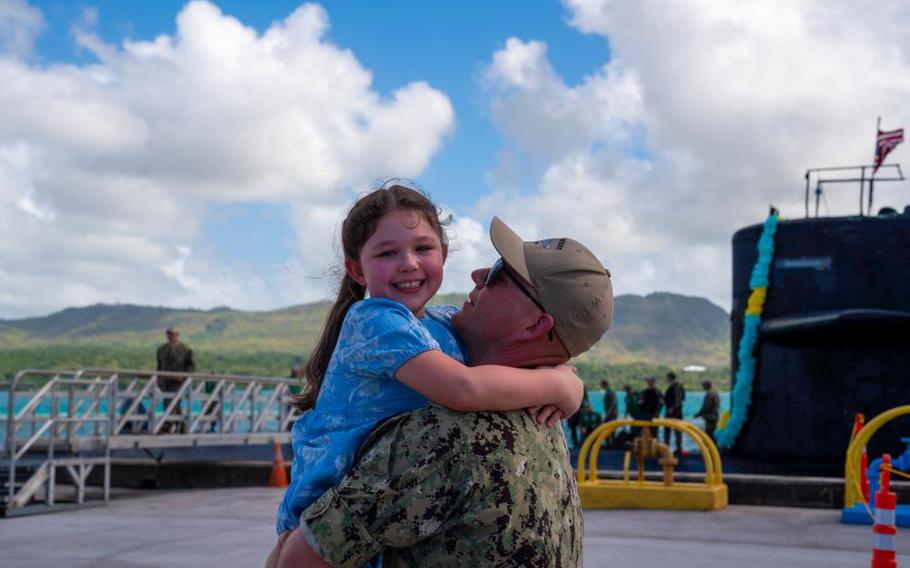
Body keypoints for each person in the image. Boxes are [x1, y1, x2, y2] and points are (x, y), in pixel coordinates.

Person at [267, 215, 613, 567]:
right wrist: (563, 381)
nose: (478, 273)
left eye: (499, 273)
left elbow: (296, 561)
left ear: (536, 324)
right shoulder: (545, 420)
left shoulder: (448, 434)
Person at [156, 326, 195, 433]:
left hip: (178, 382)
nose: (170, 336)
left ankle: (165, 427)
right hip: (165, 381)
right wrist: (158, 379)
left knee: (171, 403)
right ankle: (182, 425)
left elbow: (191, 366)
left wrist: (184, 377)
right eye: (168, 334)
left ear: (178, 335)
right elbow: (159, 366)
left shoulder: (186, 349)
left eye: (173, 334)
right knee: (171, 404)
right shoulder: (161, 349)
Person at [663, 371, 686, 453]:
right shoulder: (671, 386)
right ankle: (666, 447)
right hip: (669, 410)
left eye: (667, 378)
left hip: (675, 412)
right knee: (667, 429)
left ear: (670, 378)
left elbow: (678, 399)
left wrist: (672, 408)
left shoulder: (677, 387)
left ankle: (678, 448)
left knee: (677, 430)